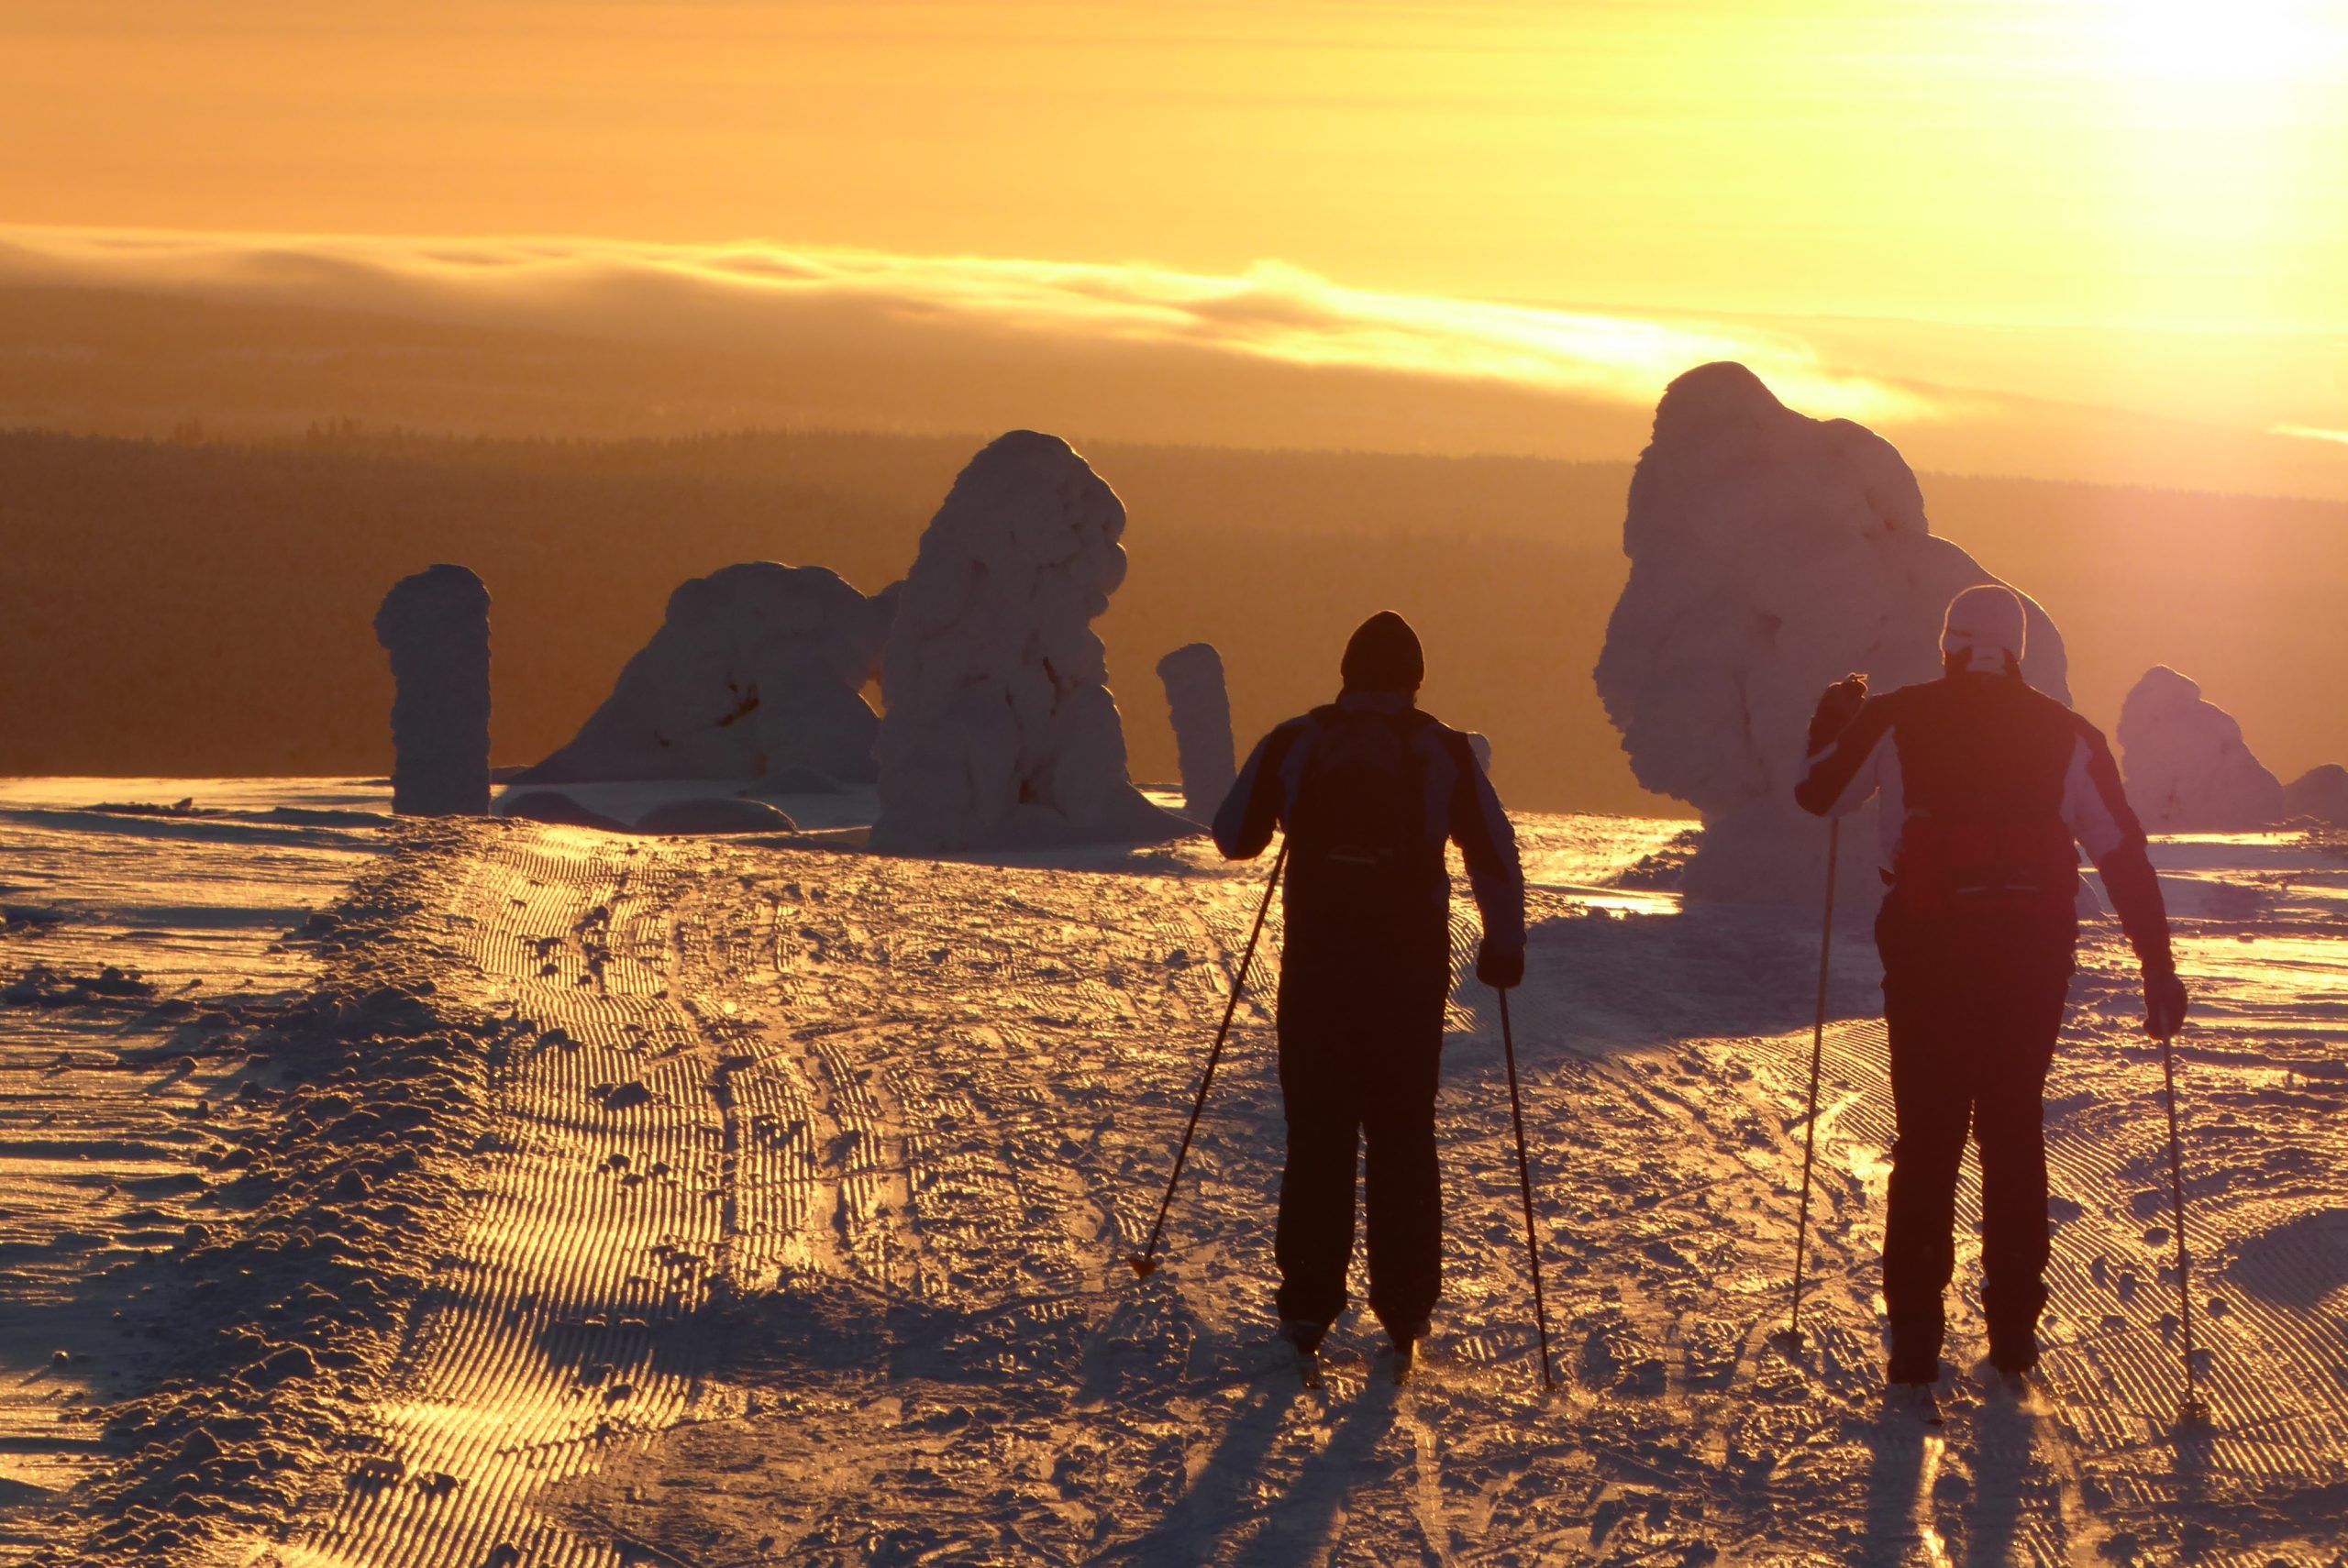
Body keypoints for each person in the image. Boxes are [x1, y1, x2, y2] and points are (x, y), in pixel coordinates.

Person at [1795, 584, 2188, 1390]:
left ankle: (1914, 1337)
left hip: (1928, 954)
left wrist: (1831, 722)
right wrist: (2157, 964)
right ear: (2017, 650)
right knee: (2012, 1129)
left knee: (1928, 1137)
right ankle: (2012, 1330)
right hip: (2032, 959)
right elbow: (2120, 851)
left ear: (1949, 645)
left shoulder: (1899, 715)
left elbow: (1819, 795)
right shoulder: (2067, 733)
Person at [1213, 611, 1525, 1377]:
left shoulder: (1299, 739)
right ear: (1414, 677)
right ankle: (1406, 1307)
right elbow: (1493, 848)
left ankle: (1307, 1309)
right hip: (1407, 972)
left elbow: (1233, 835)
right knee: (1402, 1132)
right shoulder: (1442, 748)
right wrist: (1504, 945)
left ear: (1346, 670)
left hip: (1317, 966)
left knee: (1316, 1132)